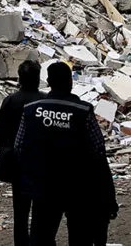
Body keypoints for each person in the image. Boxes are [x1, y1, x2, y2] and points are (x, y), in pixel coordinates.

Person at [15, 61, 117, 246]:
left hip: (43, 187)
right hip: (77, 187)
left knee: (41, 237)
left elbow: (20, 147)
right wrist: (106, 193)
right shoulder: (83, 111)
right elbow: (98, 152)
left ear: (49, 81)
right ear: (70, 81)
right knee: (80, 237)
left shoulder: (32, 110)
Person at [0, 60, 44, 246]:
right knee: (40, 209)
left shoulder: (11, 101)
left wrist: (7, 150)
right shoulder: (45, 100)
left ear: (20, 78)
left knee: (20, 212)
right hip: (41, 164)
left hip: (17, 164)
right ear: (38, 79)